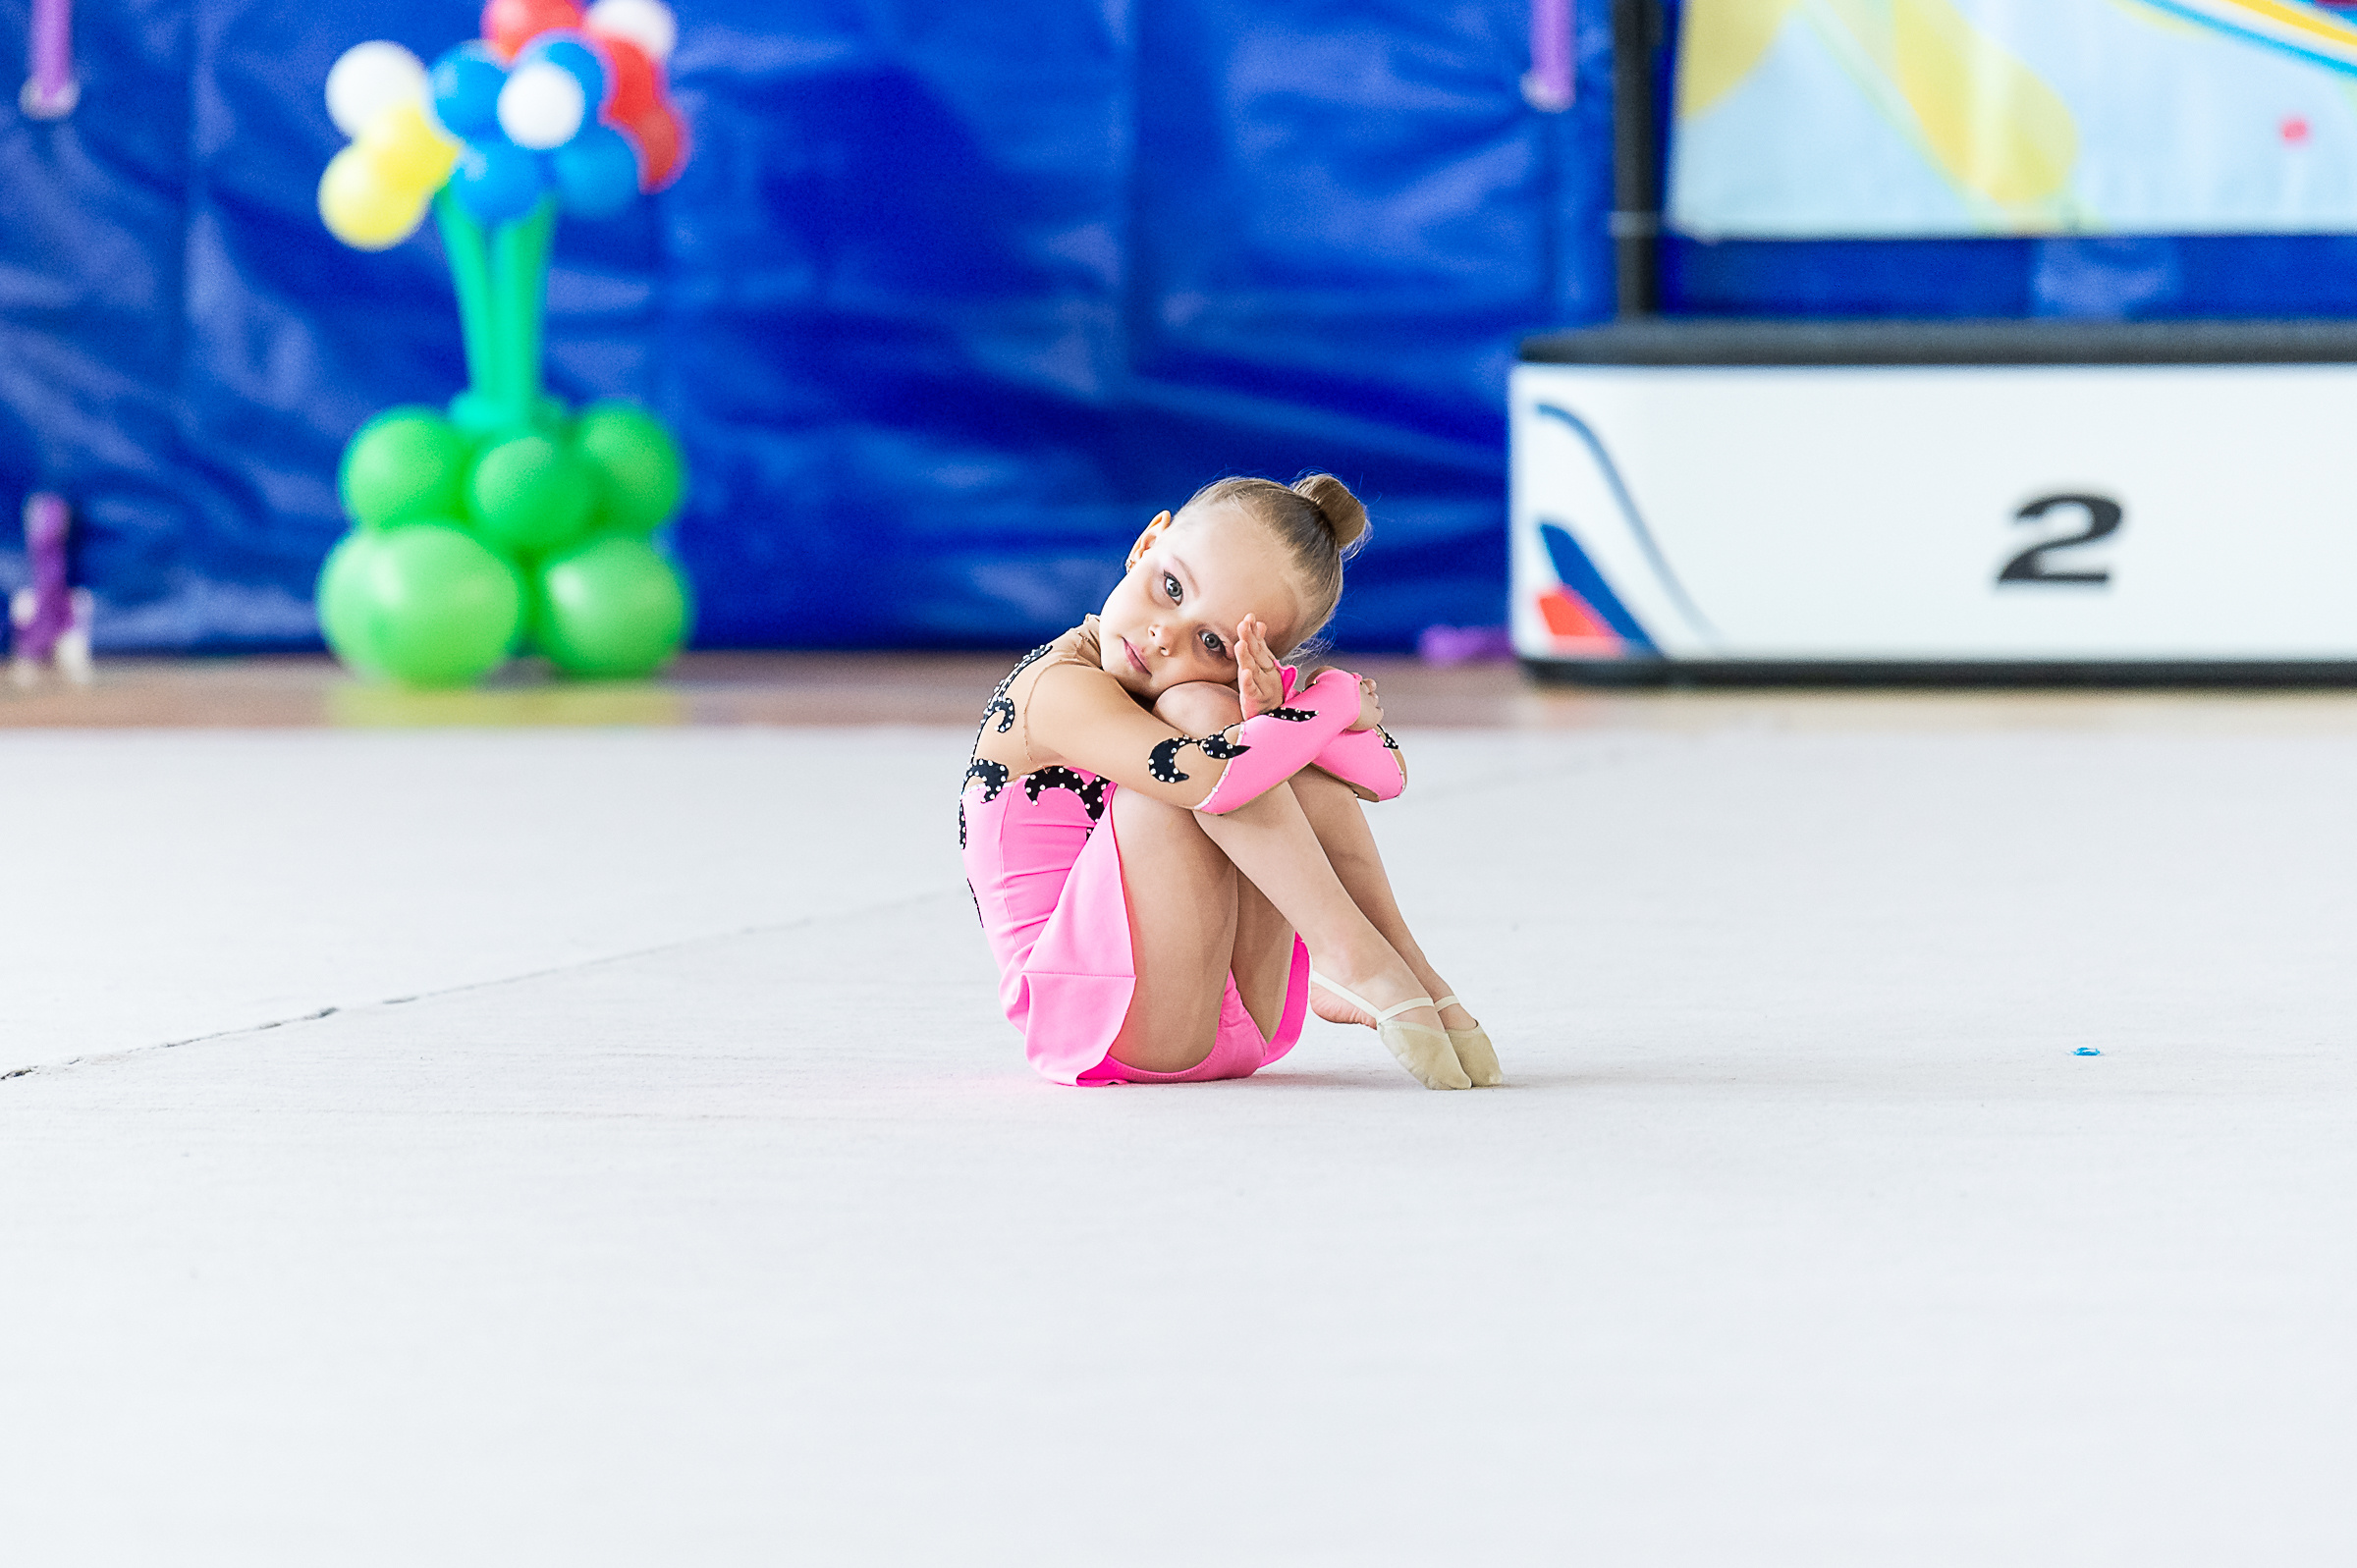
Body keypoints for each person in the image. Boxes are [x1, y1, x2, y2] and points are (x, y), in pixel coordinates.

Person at [960, 473, 1502, 1091]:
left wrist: (1282, 716)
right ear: (1146, 542)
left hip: (1238, 1016)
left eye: (1214, 642)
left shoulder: (1202, 693)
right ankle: (1347, 953)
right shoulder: (1051, 688)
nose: (1165, 635)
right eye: (1170, 588)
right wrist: (1331, 702)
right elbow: (1209, 777)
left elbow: (1384, 777)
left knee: (1265, 742)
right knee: (1217, 727)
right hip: (1102, 1024)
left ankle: (1410, 972)